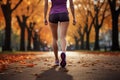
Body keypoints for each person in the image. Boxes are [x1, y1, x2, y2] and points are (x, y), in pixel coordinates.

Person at [44, 0, 76, 68]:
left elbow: (46, 5)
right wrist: (74, 18)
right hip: (64, 14)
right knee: (63, 37)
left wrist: (44, 18)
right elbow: (71, 5)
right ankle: (63, 52)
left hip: (53, 14)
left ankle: (56, 60)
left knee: (54, 38)